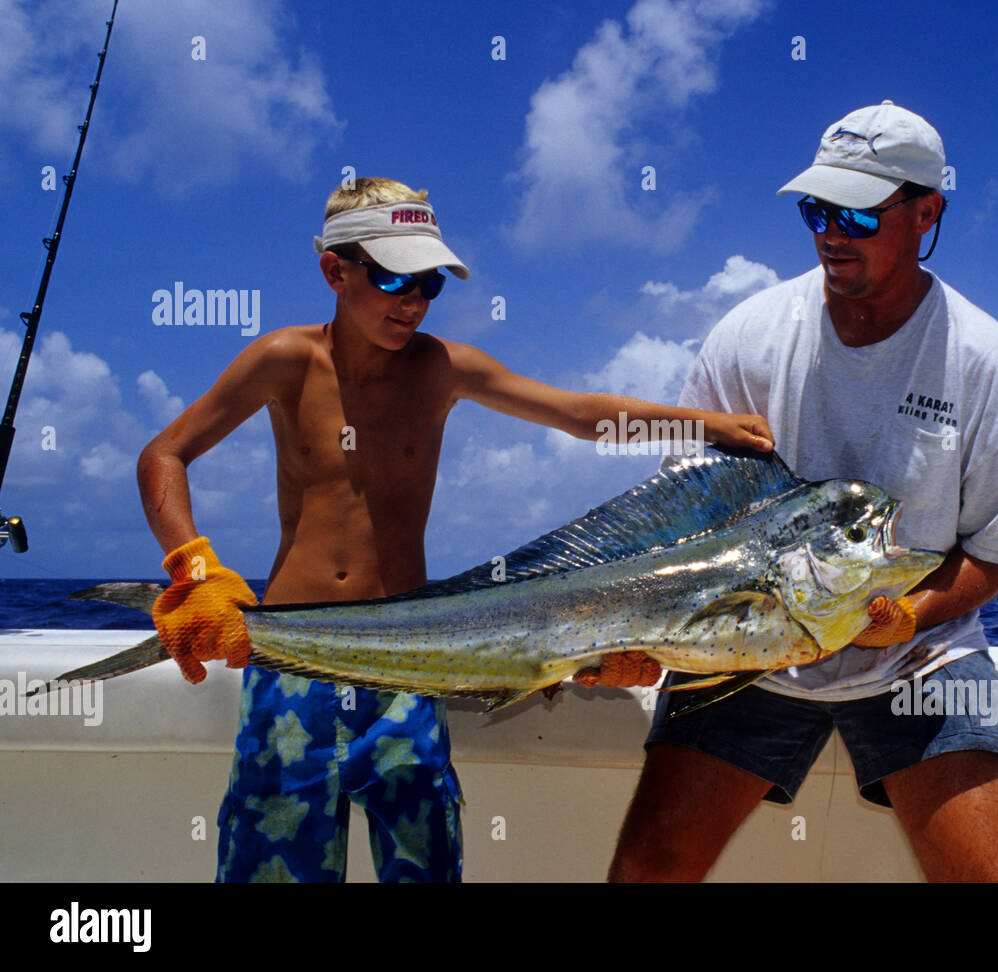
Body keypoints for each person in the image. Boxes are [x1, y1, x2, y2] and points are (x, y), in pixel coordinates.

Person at [137, 177, 772, 883]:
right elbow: (164, 454)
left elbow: (577, 414)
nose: (411, 302)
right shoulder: (283, 360)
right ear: (333, 271)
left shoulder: (442, 369)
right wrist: (195, 569)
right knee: (270, 869)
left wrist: (707, 424)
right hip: (293, 653)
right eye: (392, 278)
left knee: (425, 867)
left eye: (429, 284)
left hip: (414, 662)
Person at [608, 102, 998, 883]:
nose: (830, 233)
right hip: (742, 652)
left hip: (919, 660)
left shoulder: (987, 362)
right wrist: (633, 639)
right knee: (646, 872)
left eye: (857, 212)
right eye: (817, 209)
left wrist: (907, 617)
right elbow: (678, 524)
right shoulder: (746, 336)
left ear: (927, 213)